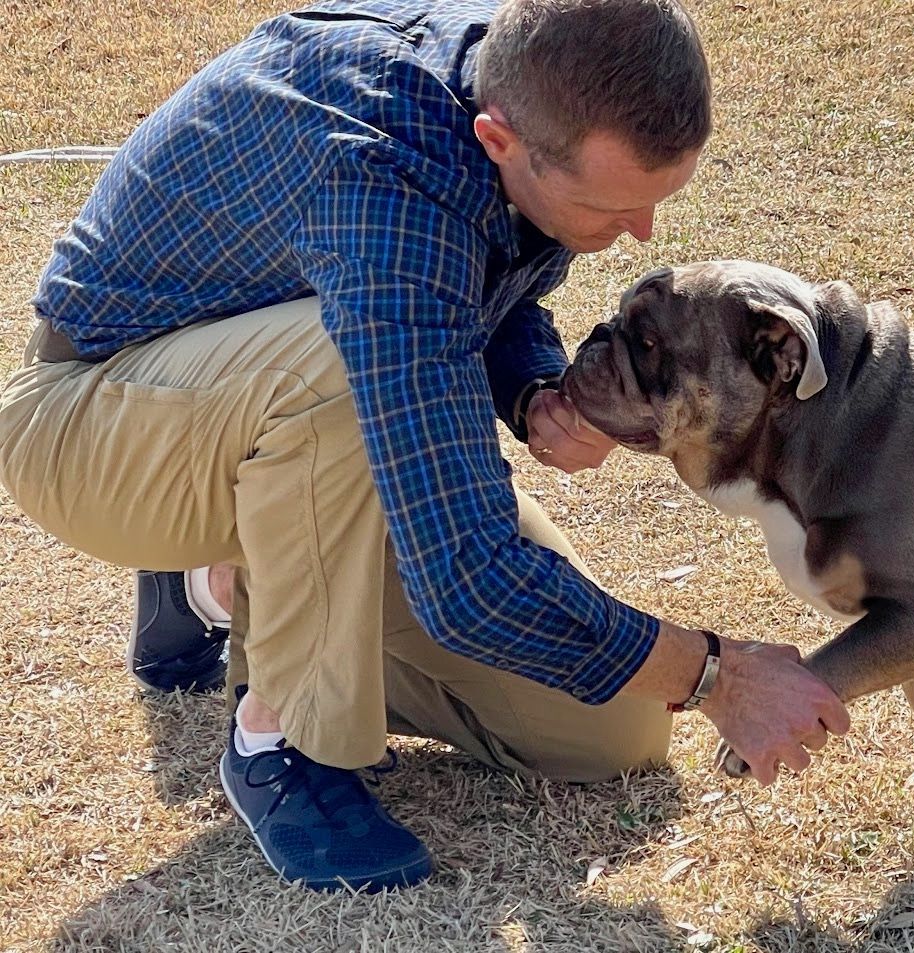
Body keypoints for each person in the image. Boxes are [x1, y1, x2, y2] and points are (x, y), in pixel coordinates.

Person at [0, 0, 849, 892]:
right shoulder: (383, 179)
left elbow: (487, 280)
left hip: (266, 411)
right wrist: (715, 674)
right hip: (93, 422)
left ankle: (229, 577)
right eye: (612, 202)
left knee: (609, 732)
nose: (642, 230)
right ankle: (278, 740)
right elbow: (466, 572)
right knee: (334, 367)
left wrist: (527, 385)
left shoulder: (531, 67)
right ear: (497, 139)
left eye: (655, 197)